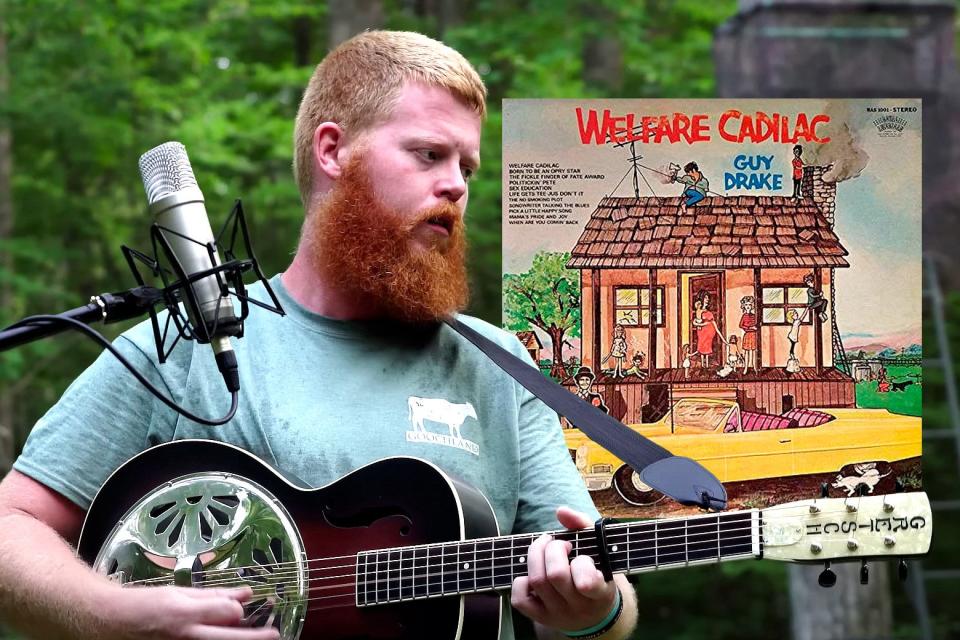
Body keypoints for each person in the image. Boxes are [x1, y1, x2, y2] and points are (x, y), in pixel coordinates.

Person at [0, 31, 637, 640]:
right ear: (332, 151)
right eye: (428, 154)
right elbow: (12, 525)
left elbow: (594, 594)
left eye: (466, 165)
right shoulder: (186, 349)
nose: (456, 185)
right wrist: (115, 617)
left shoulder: (500, 365)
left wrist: (595, 609)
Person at [738, 295, 759, 375]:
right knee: (746, 352)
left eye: (749, 305)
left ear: (752, 306)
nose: (748, 307)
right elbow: (741, 325)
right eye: (746, 305)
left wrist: (754, 328)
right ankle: (746, 368)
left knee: (753, 352)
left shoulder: (754, 316)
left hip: (753, 335)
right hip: (747, 335)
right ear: (744, 306)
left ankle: (754, 367)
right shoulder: (744, 316)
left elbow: (756, 326)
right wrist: (750, 327)